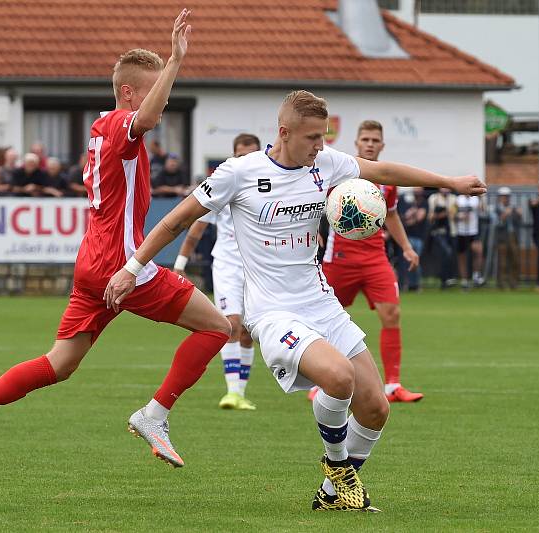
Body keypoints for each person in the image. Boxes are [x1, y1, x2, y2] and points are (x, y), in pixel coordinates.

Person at [103, 90, 486, 511]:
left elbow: (381, 169)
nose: (320, 146)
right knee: (339, 378)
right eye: (311, 138)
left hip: (321, 304)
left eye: (323, 137)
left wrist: (449, 182)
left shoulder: (325, 162)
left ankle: (331, 496)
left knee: (376, 408)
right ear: (284, 133)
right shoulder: (239, 172)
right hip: (273, 312)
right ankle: (339, 472)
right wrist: (132, 267)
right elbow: (177, 219)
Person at [0, 10, 228, 476]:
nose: (161, 104)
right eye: (152, 90)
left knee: (61, 363)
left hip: (92, 260)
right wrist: (175, 60)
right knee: (218, 328)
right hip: (122, 262)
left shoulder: (101, 129)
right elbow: (147, 117)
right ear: (129, 92)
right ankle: (154, 415)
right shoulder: (118, 126)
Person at [319, 120, 423, 404]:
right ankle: (322, 380)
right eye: (365, 139)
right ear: (356, 143)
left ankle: (392, 386)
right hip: (339, 258)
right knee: (325, 319)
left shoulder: (389, 179)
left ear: (382, 145)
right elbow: (317, 203)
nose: (369, 144)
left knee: (392, 314)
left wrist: (406, 247)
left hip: (376, 257)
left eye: (375, 140)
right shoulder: (341, 173)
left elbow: (390, 214)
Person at [174, 133, 262, 411]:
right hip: (227, 265)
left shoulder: (268, 186)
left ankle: (241, 392)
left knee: (248, 332)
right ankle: (232, 393)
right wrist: (179, 265)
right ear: (234, 154)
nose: (246, 159)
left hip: (258, 268)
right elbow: (195, 230)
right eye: (241, 154)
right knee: (231, 324)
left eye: (251, 154)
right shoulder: (225, 184)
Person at [397, 186, 428, 291]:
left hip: (419, 236)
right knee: (407, 261)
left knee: (416, 261)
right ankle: (407, 284)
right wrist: (410, 216)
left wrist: (410, 217)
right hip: (408, 236)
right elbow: (404, 217)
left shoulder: (424, 203)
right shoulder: (408, 202)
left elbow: (418, 218)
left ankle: (417, 284)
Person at [454, 193, 486, 289]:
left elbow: (483, 210)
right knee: (462, 256)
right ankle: (464, 281)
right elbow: (452, 214)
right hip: (461, 231)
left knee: (478, 252)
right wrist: (460, 216)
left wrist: (481, 199)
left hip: (473, 231)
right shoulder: (458, 199)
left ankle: (476, 275)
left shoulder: (475, 199)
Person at [428, 187, 457, 289]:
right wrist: (442, 214)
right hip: (439, 231)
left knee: (450, 254)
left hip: (452, 231)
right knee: (445, 253)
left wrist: (446, 213)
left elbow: (453, 214)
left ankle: (448, 278)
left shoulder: (453, 198)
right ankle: (444, 279)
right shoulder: (434, 198)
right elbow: (431, 216)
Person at [494, 187, 522, 289]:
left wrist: (518, 214)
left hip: (513, 236)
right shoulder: (496, 209)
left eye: (507, 197)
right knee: (502, 261)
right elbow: (497, 223)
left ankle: (513, 283)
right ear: (500, 197)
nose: (505, 199)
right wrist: (505, 215)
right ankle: (501, 283)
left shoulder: (513, 208)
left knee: (515, 259)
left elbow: (519, 221)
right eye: (503, 196)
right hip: (502, 237)